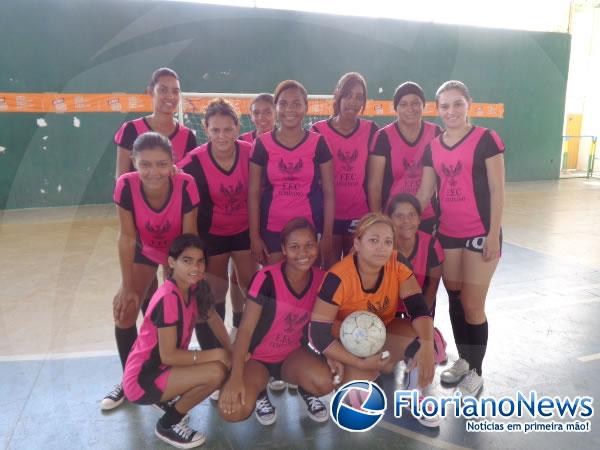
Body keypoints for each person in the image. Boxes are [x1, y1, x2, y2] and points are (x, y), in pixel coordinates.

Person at [307, 213, 439, 427]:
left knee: (425, 339)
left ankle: (413, 395)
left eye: (388, 242)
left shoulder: (397, 264)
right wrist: (360, 362)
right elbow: (318, 333)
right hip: (345, 343)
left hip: (382, 333)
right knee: (360, 397)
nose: (382, 248)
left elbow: (419, 309)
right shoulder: (337, 277)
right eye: (373, 240)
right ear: (357, 243)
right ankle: (349, 369)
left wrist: (426, 345)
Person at [417, 80, 505, 396]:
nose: (451, 111)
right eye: (444, 106)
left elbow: (497, 190)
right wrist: (403, 220)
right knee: (454, 299)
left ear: (468, 104)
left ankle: (477, 371)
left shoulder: (486, 139)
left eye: (457, 104)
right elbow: (425, 192)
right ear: (437, 109)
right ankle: (465, 361)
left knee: (472, 305)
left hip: (481, 234)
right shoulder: (433, 147)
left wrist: (493, 235)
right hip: (448, 234)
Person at [101, 132, 200, 411]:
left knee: (174, 314)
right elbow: (126, 237)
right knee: (126, 310)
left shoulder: (186, 184)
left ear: (172, 163)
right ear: (133, 161)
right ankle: (129, 380)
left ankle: (162, 375)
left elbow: (189, 239)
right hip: (143, 251)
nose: (153, 172)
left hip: (176, 255)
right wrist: (127, 285)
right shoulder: (125, 185)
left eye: (161, 164)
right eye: (145, 164)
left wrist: (186, 280)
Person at [123, 234, 231, 449]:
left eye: (200, 261)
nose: (196, 267)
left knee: (222, 363)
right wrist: (218, 354)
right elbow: (169, 355)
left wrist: (230, 349)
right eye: (187, 260)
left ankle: (165, 398)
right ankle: (168, 424)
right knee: (216, 372)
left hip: (163, 367)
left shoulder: (195, 286)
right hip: (142, 380)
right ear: (172, 262)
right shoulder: (168, 297)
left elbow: (213, 318)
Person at [218, 218, 330, 425]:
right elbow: (245, 330)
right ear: (284, 250)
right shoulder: (266, 278)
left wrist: (333, 357)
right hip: (257, 357)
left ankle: (306, 388)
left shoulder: (322, 279)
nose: (303, 253)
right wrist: (235, 378)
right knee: (233, 411)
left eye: (309, 245)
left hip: (292, 354)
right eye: (294, 247)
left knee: (325, 382)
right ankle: (260, 391)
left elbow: (328, 325)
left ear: (317, 245)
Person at [178, 98, 257, 350]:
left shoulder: (251, 152)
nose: (222, 135)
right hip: (213, 234)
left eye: (227, 129)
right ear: (206, 129)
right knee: (215, 292)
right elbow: (174, 184)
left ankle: (253, 342)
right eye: (215, 130)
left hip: (244, 230)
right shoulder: (193, 162)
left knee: (251, 286)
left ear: (237, 127)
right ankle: (215, 350)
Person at [248, 80, 335, 267]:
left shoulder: (319, 143)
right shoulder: (262, 144)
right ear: (276, 107)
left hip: (309, 228)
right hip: (272, 228)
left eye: (296, 103)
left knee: (308, 286)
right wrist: (254, 235)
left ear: (306, 107)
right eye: (283, 103)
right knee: (275, 288)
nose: (290, 109)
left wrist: (327, 235)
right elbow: (253, 192)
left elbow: (329, 191)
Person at [311, 72, 378, 264]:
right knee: (329, 276)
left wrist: (374, 221)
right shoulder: (318, 131)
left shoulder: (371, 130)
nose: (352, 102)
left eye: (359, 97)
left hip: (358, 216)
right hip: (327, 218)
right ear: (338, 95)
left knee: (356, 275)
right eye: (348, 95)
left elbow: (374, 182)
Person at [368, 82, 442, 234]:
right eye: (403, 104)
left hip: (427, 215)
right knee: (396, 258)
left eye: (416, 103)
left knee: (425, 257)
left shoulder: (436, 133)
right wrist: (378, 221)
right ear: (396, 108)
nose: (410, 109)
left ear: (423, 106)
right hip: (393, 216)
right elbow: (374, 186)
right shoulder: (383, 136)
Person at [387, 193, 447, 364]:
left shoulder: (431, 245)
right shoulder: (383, 245)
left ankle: (434, 337)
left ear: (420, 219)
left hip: (418, 306)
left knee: (423, 354)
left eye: (411, 215)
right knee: (387, 364)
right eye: (399, 216)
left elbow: (433, 286)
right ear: (389, 219)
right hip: (388, 309)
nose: (406, 221)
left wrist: (421, 320)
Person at [114, 68, 197, 177]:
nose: (170, 96)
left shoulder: (188, 136)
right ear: (150, 92)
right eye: (163, 90)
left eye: (175, 91)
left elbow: (188, 182)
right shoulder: (130, 129)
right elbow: (121, 181)